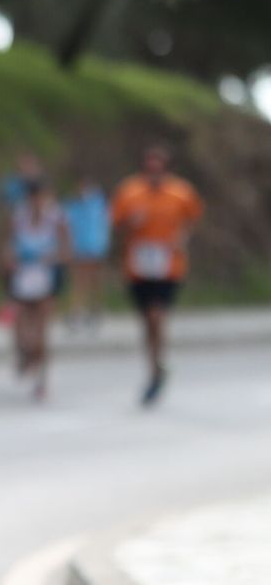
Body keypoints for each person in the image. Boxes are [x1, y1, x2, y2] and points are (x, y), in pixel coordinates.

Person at [108, 143, 204, 406]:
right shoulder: (129, 192)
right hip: (137, 265)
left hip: (168, 264)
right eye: (149, 168)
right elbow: (114, 226)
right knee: (147, 322)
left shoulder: (181, 193)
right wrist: (130, 224)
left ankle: (158, 364)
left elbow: (192, 221)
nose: (154, 173)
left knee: (157, 314)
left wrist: (182, 238)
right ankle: (155, 366)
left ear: (167, 170)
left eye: (159, 169)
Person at [2, 178, 70, 402]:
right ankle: (24, 354)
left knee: (41, 332)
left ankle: (43, 380)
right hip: (23, 278)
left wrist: (52, 258)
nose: (36, 202)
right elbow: (8, 245)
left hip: (45, 278)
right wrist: (9, 263)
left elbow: (66, 250)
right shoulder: (18, 217)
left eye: (39, 197)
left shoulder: (56, 217)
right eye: (32, 198)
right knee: (20, 326)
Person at [62, 174, 110, 332]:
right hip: (78, 248)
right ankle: (77, 311)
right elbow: (67, 226)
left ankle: (95, 309)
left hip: (95, 248)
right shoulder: (72, 205)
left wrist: (103, 245)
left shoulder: (98, 203)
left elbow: (104, 225)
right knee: (78, 282)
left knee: (94, 282)